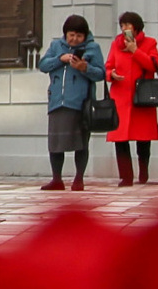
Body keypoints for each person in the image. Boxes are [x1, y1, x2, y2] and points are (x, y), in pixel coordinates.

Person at [36, 15, 107, 192]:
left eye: (79, 36)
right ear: (65, 34)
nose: (74, 39)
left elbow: (100, 73)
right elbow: (43, 65)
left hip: (80, 103)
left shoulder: (93, 48)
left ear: (85, 36)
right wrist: (60, 59)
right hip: (57, 102)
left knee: (80, 142)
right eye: (71, 35)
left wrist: (85, 68)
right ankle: (57, 179)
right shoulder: (55, 46)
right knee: (55, 143)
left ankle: (79, 179)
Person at [107, 10, 158, 187]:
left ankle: (143, 171)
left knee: (143, 138)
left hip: (143, 97)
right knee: (120, 138)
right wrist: (112, 74)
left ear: (136, 27)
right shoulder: (116, 45)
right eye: (122, 25)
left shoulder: (149, 43)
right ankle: (126, 176)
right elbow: (108, 66)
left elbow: (154, 65)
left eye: (128, 25)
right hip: (121, 97)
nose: (125, 28)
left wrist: (136, 51)